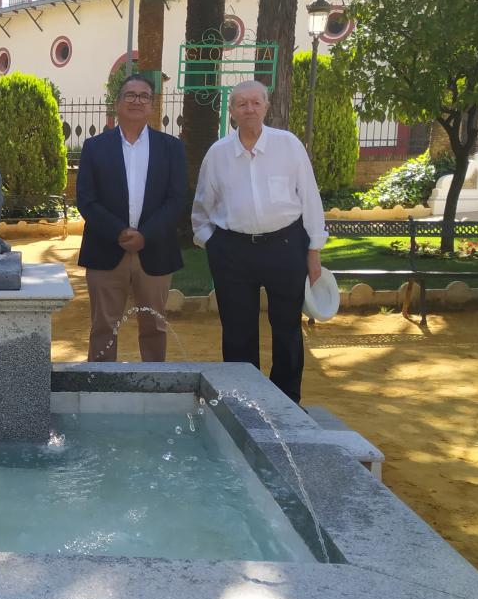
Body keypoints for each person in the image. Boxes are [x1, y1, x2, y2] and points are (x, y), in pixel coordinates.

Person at [191, 79, 326, 405]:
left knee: (287, 330)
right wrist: (215, 245)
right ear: (232, 111)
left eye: (255, 102)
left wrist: (314, 251)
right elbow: (201, 208)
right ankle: (244, 405)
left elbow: (309, 199)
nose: (249, 109)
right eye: (241, 104)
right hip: (233, 253)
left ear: (266, 106)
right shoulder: (218, 154)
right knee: (237, 332)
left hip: (285, 248)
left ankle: (287, 404)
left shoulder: (289, 145)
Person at [76, 73, 187, 362]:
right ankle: (99, 387)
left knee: (154, 326)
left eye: (144, 96)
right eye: (130, 95)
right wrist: (119, 233)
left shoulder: (172, 148)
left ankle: (153, 386)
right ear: (117, 103)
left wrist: (145, 236)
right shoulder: (94, 147)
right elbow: (87, 200)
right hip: (105, 249)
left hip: (156, 250)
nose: (137, 100)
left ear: (151, 105)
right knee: (103, 326)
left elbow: (176, 199)